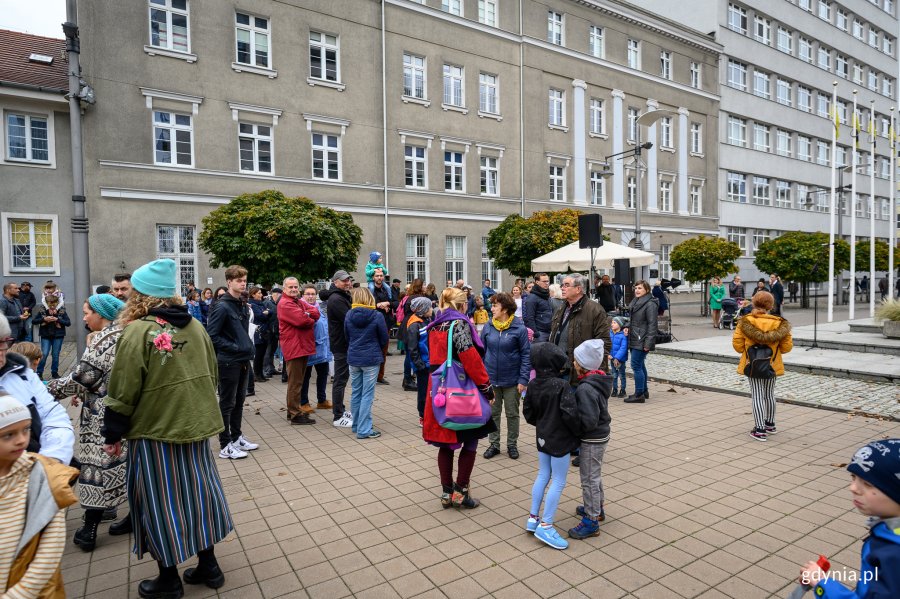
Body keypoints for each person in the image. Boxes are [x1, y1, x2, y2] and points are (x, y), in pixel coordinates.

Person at [102, 258, 233, 598]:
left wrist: (112, 432)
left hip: (155, 430)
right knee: (198, 495)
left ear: (141, 295)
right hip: (195, 426)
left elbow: (124, 387)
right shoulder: (195, 326)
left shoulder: (138, 331)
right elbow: (212, 373)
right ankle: (209, 566)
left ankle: (169, 579)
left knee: (158, 501)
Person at [47, 293, 129, 551]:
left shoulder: (105, 340)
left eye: (86, 312)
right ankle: (134, 516)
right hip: (125, 412)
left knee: (95, 468)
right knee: (124, 465)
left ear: (101, 314)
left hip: (102, 416)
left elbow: (82, 378)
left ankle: (89, 530)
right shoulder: (125, 334)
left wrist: (44, 389)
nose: (83, 317)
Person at [797, 439, 900, 598]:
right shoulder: (889, 534)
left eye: (867, 483)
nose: (853, 488)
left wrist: (822, 584)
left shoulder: (893, 555)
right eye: (853, 477)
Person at [0, 391, 79, 598]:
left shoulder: (42, 475)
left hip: (36, 590)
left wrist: (18, 594)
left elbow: (51, 548)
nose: (21, 440)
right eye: (8, 434)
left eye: (26, 429)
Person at [424, 288, 496, 509]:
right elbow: (470, 359)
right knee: (471, 440)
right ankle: (460, 491)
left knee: (445, 443)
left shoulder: (435, 324)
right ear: (463, 305)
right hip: (462, 391)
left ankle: (446, 492)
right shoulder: (460, 324)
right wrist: (487, 387)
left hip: (440, 389)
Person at [522, 342, 581, 550]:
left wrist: (542, 424)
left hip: (542, 437)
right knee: (558, 481)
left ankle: (533, 517)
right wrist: (578, 432)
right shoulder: (561, 386)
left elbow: (528, 413)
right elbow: (570, 414)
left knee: (542, 475)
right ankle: (546, 525)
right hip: (560, 440)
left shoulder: (533, 384)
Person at [0, 319, 74, 465]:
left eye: (3, 342)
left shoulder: (23, 375)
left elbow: (54, 417)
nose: (1, 352)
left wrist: (51, 460)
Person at [206, 265, 258, 459]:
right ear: (229, 282)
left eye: (244, 280)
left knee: (239, 401)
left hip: (243, 360)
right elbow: (212, 335)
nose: (243, 283)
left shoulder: (241, 304)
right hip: (228, 361)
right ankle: (225, 443)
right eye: (239, 280)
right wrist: (236, 347)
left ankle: (236, 437)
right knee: (227, 403)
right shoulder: (222, 306)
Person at [732, 290, 792, 441]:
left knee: (757, 395)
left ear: (754, 303)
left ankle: (759, 430)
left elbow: (738, 346)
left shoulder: (745, 322)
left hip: (753, 364)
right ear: (770, 306)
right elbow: (786, 348)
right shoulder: (780, 324)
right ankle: (770, 424)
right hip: (772, 364)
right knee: (769, 394)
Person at [568, 339, 613, 541]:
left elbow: (588, 420)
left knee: (588, 479)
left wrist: (574, 428)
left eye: (576, 361)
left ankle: (591, 520)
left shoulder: (586, 388)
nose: (573, 364)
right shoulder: (598, 380)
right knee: (594, 475)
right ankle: (597, 508)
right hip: (600, 436)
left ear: (582, 364)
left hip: (592, 439)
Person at [481, 292, 531, 461]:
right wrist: (482, 378)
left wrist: (523, 379)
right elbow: (481, 353)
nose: (491, 308)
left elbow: (526, 355)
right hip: (491, 380)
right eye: (492, 305)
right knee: (493, 413)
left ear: (505, 309)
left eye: (495, 305)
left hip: (512, 380)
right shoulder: (488, 326)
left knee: (512, 413)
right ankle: (494, 444)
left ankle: (512, 445)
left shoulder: (519, 328)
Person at [548, 273, 611, 386]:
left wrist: (591, 371)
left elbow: (603, 343)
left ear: (578, 289)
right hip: (559, 369)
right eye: (562, 285)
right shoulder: (561, 307)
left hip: (580, 373)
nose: (562, 288)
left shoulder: (595, 310)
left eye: (566, 285)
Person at [344, 287, 388, 439]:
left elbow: (346, 335)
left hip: (354, 357)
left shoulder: (349, 314)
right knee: (367, 395)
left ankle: (357, 425)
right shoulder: (377, 315)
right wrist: (376, 348)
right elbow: (384, 338)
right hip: (371, 358)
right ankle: (364, 429)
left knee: (356, 392)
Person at [279, 277, 320, 426]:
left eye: (296, 287)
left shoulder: (297, 301)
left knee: (298, 381)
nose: (294, 289)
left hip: (301, 346)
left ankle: (294, 411)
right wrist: (308, 317)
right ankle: (295, 414)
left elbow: (315, 311)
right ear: (284, 289)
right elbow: (302, 321)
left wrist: (307, 315)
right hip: (294, 347)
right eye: (290, 287)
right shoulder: (285, 304)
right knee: (295, 383)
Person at [320, 270, 354, 427]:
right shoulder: (336, 299)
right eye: (343, 280)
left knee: (343, 378)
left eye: (348, 280)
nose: (347, 282)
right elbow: (349, 319)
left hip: (343, 343)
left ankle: (341, 408)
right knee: (340, 380)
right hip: (341, 344)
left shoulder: (341, 296)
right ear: (335, 282)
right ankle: (338, 416)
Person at [299, 285, 331, 414]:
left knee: (323, 375)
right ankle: (303, 402)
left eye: (313, 294)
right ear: (303, 295)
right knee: (305, 377)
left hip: (322, 349)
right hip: (308, 349)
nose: (311, 296)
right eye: (308, 294)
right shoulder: (300, 308)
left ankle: (321, 400)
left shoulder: (319, 308)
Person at [625, 280, 658, 404]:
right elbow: (634, 321)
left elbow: (652, 325)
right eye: (636, 288)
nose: (637, 290)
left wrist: (648, 343)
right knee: (640, 365)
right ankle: (644, 391)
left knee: (635, 365)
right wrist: (626, 327)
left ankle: (639, 394)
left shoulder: (650, 304)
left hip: (642, 339)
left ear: (647, 290)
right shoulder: (636, 302)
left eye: (640, 288)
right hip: (635, 337)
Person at [32, 284, 70, 380]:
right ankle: (39, 373)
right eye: (50, 304)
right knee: (44, 354)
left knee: (55, 355)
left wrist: (57, 319)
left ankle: (54, 373)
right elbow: (34, 321)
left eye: (54, 304)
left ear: (57, 303)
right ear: (46, 303)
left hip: (58, 335)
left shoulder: (61, 310)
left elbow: (68, 323)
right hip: (46, 335)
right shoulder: (42, 310)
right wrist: (44, 319)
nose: (52, 306)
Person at [405, 297, 432, 425]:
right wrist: (419, 365)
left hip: (429, 362)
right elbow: (412, 348)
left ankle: (430, 413)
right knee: (423, 391)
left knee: (429, 390)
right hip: (423, 365)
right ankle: (422, 415)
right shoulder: (414, 324)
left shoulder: (426, 320)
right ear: (423, 309)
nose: (432, 309)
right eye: (430, 307)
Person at [371, 269, 397, 385]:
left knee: (383, 351)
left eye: (381, 276)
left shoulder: (388, 290)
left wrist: (387, 304)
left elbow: (397, 303)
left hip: (386, 324)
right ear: (373, 277)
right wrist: (378, 305)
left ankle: (380, 376)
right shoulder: (370, 290)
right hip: (373, 324)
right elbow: (367, 304)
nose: (380, 278)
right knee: (373, 351)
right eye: (377, 276)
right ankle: (371, 376)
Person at [248, 286, 271, 382]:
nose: (261, 295)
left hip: (264, 331)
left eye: (261, 293)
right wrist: (265, 313)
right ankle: (256, 375)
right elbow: (260, 316)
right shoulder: (252, 304)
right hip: (258, 332)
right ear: (253, 294)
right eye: (259, 293)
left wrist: (267, 313)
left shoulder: (261, 304)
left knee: (262, 355)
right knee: (258, 355)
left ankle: (261, 374)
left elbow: (270, 313)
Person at [524, 273, 553, 342]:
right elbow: (529, 318)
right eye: (544, 281)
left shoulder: (546, 295)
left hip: (549, 331)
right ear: (537, 282)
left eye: (547, 281)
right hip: (540, 333)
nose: (547, 283)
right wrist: (535, 333)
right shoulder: (532, 298)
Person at [263, 286, 282, 379]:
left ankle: (271, 367)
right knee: (268, 350)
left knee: (272, 350)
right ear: (276, 294)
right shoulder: (267, 303)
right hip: (269, 331)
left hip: (276, 331)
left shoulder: (276, 303)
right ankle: (266, 369)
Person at [1, 283, 26, 348]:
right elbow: (1, 318)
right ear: (8, 290)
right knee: (8, 355)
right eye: (16, 288)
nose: (18, 290)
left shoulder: (16, 300)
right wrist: (19, 318)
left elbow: (19, 315)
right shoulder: (2, 301)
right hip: (9, 335)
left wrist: (24, 315)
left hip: (19, 333)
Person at [608, 316, 628, 398]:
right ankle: (614, 389)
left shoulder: (623, 335)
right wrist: (608, 355)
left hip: (620, 360)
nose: (612, 324)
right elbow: (607, 344)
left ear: (619, 324)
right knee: (614, 375)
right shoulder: (610, 333)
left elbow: (623, 348)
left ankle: (623, 390)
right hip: (612, 358)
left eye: (614, 322)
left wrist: (617, 358)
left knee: (622, 375)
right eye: (612, 322)